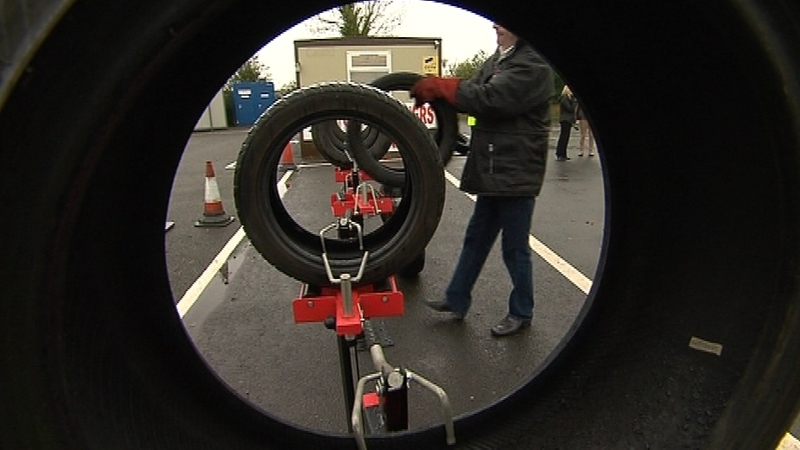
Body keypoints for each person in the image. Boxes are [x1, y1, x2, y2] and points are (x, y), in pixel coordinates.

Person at [409, 23, 554, 337]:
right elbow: (470, 93)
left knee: (514, 248)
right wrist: (442, 93)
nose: (496, 26)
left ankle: (521, 312)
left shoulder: (535, 65)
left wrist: (445, 88)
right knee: (475, 238)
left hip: (516, 172)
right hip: (493, 168)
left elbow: (491, 98)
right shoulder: (498, 59)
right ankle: (456, 298)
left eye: (503, 24)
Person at [554, 85, 577, 161]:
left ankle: (563, 154)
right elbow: (570, 109)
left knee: (566, 138)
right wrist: (574, 102)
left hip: (568, 120)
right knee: (563, 137)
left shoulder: (569, 99)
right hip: (565, 120)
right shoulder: (564, 99)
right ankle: (559, 153)